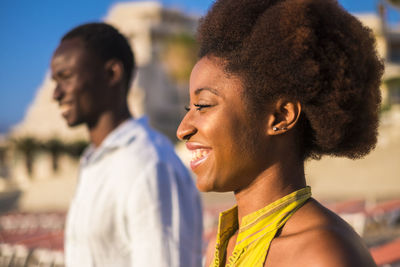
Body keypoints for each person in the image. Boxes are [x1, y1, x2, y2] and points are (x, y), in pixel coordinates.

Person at [177, 0, 383, 266]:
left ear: (281, 116)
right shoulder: (226, 245)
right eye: (188, 108)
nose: (183, 129)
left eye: (203, 106)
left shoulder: (321, 256)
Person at [51, 22, 203, 267]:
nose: (56, 94)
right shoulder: (95, 161)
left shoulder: (148, 163)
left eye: (66, 77)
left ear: (112, 74)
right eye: (55, 81)